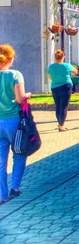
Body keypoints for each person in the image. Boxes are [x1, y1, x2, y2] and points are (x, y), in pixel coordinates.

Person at [0, 44, 31, 204]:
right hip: (14, 121)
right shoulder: (15, 75)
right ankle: (15, 188)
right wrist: (27, 95)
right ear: (11, 59)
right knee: (19, 153)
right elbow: (20, 99)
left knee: (0, 160)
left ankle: (2, 195)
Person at [47, 50, 76, 132]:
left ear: (55, 57)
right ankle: (61, 125)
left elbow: (49, 76)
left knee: (58, 106)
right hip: (66, 87)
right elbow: (75, 71)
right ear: (63, 57)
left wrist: (56, 78)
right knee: (64, 106)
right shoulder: (67, 65)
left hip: (55, 87)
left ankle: (60, 123)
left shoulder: (51, 67)